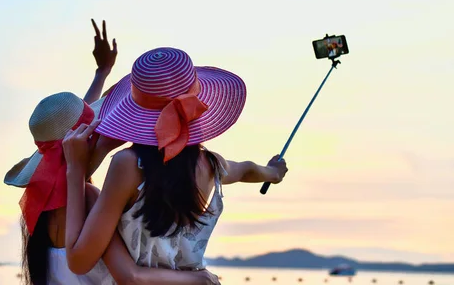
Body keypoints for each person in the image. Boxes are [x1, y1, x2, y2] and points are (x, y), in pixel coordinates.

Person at [4, 23, 220, 285]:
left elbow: (73, 133)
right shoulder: (88, 199)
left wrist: (101, 72)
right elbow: (130, 276)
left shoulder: (42, 208)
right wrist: (200, 280)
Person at [63, 47, 289, 274]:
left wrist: (75, 169)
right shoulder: (210, 165)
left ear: (135, 113)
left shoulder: (128, 165)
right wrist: (274, 173)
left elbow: (79, 261)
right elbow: (246, 170)